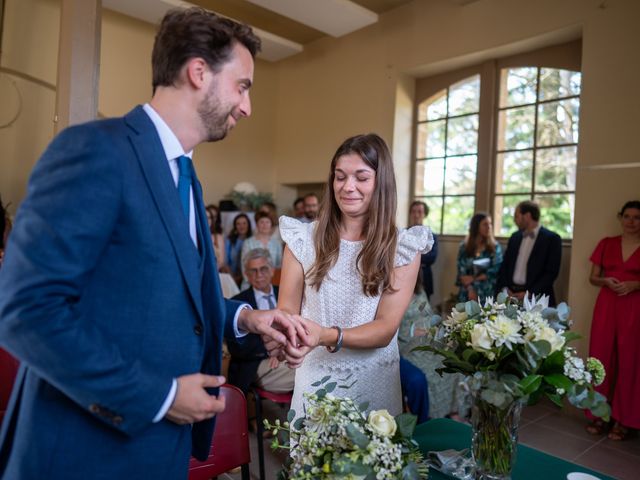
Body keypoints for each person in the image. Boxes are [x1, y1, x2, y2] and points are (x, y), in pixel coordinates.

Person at [0, 8, 302, 478]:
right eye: (243, 86)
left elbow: (167, 293)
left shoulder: (185, 174)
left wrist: (246, 317)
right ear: (198, 71)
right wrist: (159, 396)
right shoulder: (97, 149)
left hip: (159, 449)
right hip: (88, 447)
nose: (247, 106)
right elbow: (27, 311)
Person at [275, 133, 433, 419]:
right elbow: (286, 308)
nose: (348, 187)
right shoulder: (301, 239)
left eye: (361, 177)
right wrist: (287, 337)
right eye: (340, 176)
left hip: (374, 384)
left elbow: (385, 328)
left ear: (380, 181)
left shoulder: (404, 247)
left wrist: (324, 334)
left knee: (373, 460)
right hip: (314, 381)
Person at [585, 200, 640, 441]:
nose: (631, 221)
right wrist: (606, 281)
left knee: (630, 362)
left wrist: (635, 284)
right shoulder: (606, 244)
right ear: (620, 218)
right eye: (626, 216)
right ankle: (599, 414)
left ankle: (623, 420)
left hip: (634, 306)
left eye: (636, 217)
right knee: (601, 359)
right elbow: (593, 278)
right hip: (607, 304)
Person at [398, 278, 468, 419]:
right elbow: (393, 330)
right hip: (408, 342)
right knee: (432, 370)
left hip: (430, 337)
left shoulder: (419, 289)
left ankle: (455, 412)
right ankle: (434, 416)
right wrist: (415, 332)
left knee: (454, 361)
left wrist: (437, 326)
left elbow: (429, 313)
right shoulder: (394, 294)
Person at [227, 249, 295, 395]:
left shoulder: (286, 293)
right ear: (246, 275)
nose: (259, 275)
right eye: (253, 271)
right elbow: (237, 347)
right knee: (301, 373)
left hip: (288, 354)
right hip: (255, 363)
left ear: (271, 270)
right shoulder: (237, 302)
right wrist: (271, 351)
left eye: (263, 269)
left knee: (306, 365)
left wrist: (284, 348)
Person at [496, 200, 562, 305]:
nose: (514, 220)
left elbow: (551, 272)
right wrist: (505, 288)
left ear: (527, 216)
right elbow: (505, 266)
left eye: (516, 216)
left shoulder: (552, 239)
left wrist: (530, 293)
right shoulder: (514, 237)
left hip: (537, 298)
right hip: (511, 296)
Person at [456, 212, 503, 303]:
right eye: (485, 224)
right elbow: (461, 272)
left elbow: (496, 269)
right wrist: (470, 289)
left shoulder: (495, 247)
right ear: (476, 227)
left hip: (487, 292)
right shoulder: (464, 247)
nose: (489, 227)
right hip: (467, 291)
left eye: (490, 224)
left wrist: (474, 278)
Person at [409, 200, 438, 301]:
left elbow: (432, 257)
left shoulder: (431, 236)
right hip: (405, 275)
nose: (416, 215)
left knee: (424, 310)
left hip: (425, 276)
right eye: (413, 211)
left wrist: (411, 254)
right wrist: (421, 252)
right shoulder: (403, 233)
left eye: (420, 212)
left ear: (425, 214)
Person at [225, 212, 252, 286]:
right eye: (238, 224)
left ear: (248, 225)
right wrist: (233, 278)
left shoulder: (253, 240)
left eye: (244, 223)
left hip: (248, 278)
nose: (241, 226)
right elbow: (226, 262)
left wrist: (241, 277)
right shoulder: (229, 241)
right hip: (231, 277)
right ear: (235, 226)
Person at [206, 204, 226, 270]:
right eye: (205, 217)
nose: (207, 220)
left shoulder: (218, 237)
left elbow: (221, 262)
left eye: (210, 218)